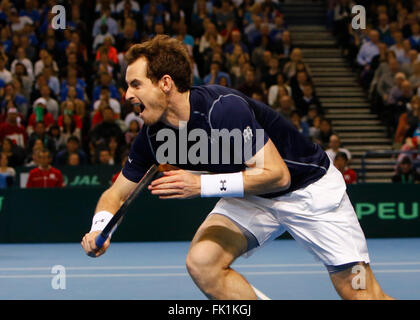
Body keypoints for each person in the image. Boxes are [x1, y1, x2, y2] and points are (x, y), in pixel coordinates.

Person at [81, 35, 392, 300]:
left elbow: (277, 175)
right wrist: (99, 229)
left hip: (307, 189)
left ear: (165, 83)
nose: (127, 95)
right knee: (204, 263)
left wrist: (200, 186)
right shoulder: (153, 137)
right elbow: (116, 194)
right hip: (252, 195)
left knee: (359, 292)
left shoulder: (222, 110)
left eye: (135, 84)